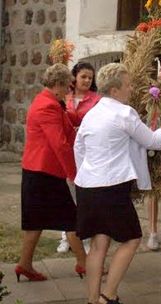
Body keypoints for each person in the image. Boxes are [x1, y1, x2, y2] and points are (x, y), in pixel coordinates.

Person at [74, 63, 161, 304]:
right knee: (132, 238)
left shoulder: (91, 113)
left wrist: (87, 171)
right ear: (114, 91)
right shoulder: (124, 113)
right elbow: (153, 141)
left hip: (87, 186)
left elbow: (78, 148)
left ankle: (92, 299)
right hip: (111, 187)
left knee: (98, 244)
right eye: (128, 84)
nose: (132, 88)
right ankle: (108, 295)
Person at [17, 63, 86, 282]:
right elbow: (60, 144)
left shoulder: (48, 101)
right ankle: (84, 264)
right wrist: (73, 174)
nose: (69, 90)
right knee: (71, 219)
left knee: (35, 222)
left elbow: (69, 121)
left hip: (37, 171)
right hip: (44, 173)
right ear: (57, 85)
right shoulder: (48, 106)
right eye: (67, 86)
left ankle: (24, 265)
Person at [58, 61, 101, 254]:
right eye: (83, 76)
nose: (86, 80)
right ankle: (65, 237)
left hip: (87, 150)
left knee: (83, 194)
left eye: (90, 78)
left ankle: (84, 235)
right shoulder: (64, 97)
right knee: (66, 194)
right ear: (74, 77)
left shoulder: (96, 99)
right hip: (67, 149)